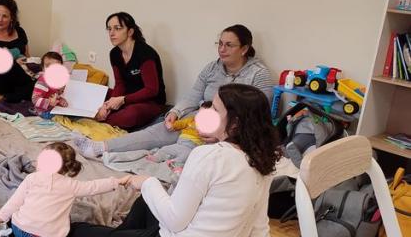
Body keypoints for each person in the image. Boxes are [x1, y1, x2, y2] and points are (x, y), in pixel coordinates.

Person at [53, 84, 289, 237]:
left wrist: (147, 182)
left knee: (77, 232)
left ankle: (36, 234)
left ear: (235, 124)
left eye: (215, 110)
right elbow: (258, 226)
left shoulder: (207, 155)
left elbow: (175, 220)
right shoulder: (262, 163)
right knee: (147, 202)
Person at [75, 23, 272, 160]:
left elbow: (256, 117)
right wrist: (175, 112)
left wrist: (223, 135)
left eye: (229, 45)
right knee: (159, 130)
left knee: (179, 150)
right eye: (219, 43)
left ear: (245, 49)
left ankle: (157, 160)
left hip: (230, 129)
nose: (222, 49)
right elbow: (193, 95)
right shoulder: (213, 67)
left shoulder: (258, 74)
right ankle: (100, 148)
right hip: (199, 117)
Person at [0, 143, 131, 237]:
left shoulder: (32, 178)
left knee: (8, 217)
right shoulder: (72, 185)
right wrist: (117, 181)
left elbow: (15, 202)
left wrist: (0, 217)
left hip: (20, 233)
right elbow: (94, 187)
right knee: (69, 225)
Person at [94, 12, 166, 130]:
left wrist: (122, 100)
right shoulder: (114, 54)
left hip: (150, 101)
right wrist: (108, 105)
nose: (112, 33)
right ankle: (103, 114)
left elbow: (151, 90)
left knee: (131, 114)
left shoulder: (145, 53)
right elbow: (120, 83)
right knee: (100, 92)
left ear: (130, 32)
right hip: (125, 97)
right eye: (109, 29)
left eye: (117, 28)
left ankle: (97, 118)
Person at [146, 101, 211, 171]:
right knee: (166, 149)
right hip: (180, 143)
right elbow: (181, 123)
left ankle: (175, 163)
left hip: (191, 147)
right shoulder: (192, 120)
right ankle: (157, 157)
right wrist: (172, 125)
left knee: (186, 156)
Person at [31, 51, 68, 117]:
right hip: (42, 111)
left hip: (54, 108)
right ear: (43, 68)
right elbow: (35, 99)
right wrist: (49, 102)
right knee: (60, 118)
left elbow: (55, 95)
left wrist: (60, 100)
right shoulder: (43, 81)